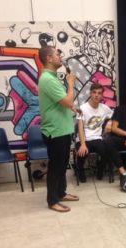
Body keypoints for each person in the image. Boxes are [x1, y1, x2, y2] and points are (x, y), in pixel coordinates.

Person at [37, 45, 79, 212]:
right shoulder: (47, 79)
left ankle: (61, 193)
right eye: (57, 54)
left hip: (63, 130)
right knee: (55, 167)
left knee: (62, 165)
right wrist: (71, 83)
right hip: (55, 131)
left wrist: (73, 107)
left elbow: (61, 103)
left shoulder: (52, 78)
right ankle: (53, 200)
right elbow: (67, 100)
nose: (60, 56)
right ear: (49, 58)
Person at [75, 84, 126, 191]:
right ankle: (80, 171)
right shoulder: (83, 108)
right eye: (94, 92)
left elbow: (115, 116)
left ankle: (100, 168)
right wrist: (83, 144)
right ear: (90, 93)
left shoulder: (104, 108)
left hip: (97, 138)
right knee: (82, 152)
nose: (96, 95)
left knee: (107, 151)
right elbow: (80, 128)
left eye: (99, 93)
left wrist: (110, 122)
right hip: (84, 139)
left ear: (102, 95)